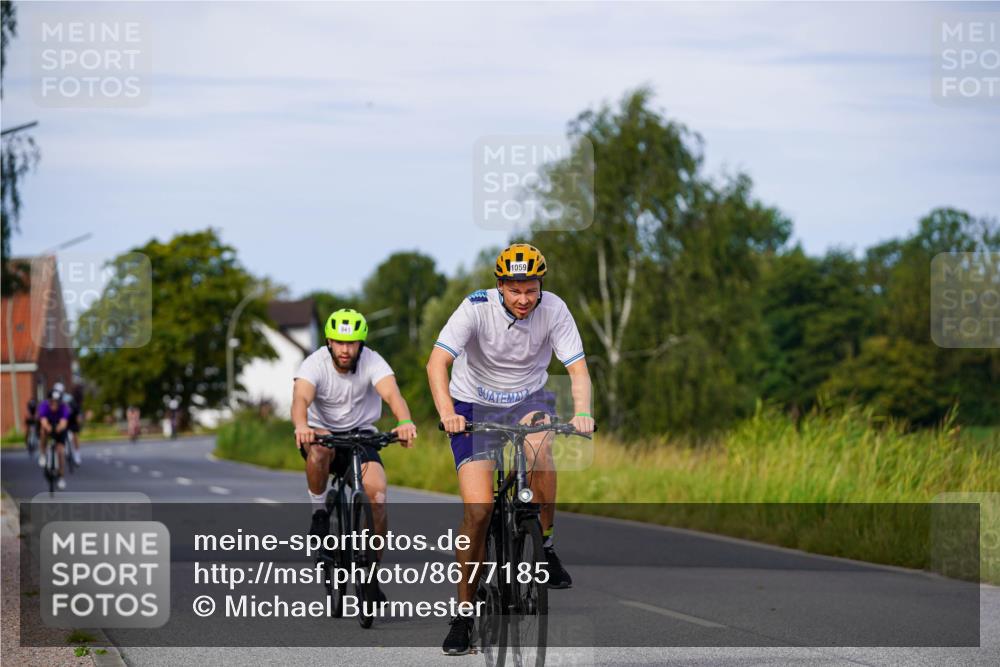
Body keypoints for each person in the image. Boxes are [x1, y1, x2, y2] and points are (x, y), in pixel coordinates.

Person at [427, 243, 595, 655]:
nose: (524, 299)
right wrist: (449, 413)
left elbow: (577, 369)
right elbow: (436, 363)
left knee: (541, 451)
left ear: (540, 286)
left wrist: (583, 411)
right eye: (515, 289)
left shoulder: (555, 309)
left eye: (531, 289)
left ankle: (546, 545)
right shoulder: (475, 307)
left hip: (527, 400)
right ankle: (464, 614)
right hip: (472, 405)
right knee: (480, 510)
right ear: (500, 285)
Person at [291, 308, 418, 600]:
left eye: (352, 343)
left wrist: (404, 421)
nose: (345, 349)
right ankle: (319, 512)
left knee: (379, 498)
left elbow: (392, 394)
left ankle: (371, 577)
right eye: (339, 342)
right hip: (323, 434)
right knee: (320, 450)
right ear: (329, 342)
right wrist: (301, 425)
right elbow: (301, 398)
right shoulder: (315, 364)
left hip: (362, 436)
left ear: (361, 344)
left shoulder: (373, 360)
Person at [37, 389, 72, 490]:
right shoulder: (44, 406)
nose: (54, 404)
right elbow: (43, 421)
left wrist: (58, 429)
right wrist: (48, 428)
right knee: (43, 431)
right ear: (49, 401)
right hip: (48, 426)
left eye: (56, 402)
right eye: (52, 402)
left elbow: (64, 423)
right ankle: (43, 454)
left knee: (60, 451)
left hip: (59, 429)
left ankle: (61, 477)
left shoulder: (64, 408)